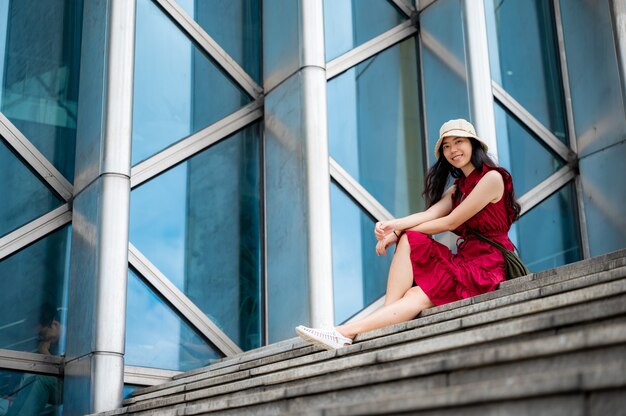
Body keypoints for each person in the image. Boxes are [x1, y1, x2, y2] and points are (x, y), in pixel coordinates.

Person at [296, 119, 521, 350]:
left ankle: (342, 332)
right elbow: (429, 215)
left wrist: (398, 231)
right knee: (415, 280)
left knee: (415, 263)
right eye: (446, 146)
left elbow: (450, 222)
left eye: (459, 142)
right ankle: (369, 326)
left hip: (487, 267)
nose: (453, 150)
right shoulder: (458, 189)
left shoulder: (492, 178)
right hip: (466, 261)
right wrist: (393, 226)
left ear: (473, 145)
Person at [4, 304, 64, 416]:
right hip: (57, 388)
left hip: (73, 386)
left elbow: (68, 371)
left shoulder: (73, 338)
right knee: (30, 379)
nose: (41, 339)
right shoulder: (52, 344)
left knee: (39, 380)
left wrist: (45, 352)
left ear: (55, 325)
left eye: (42, 334)